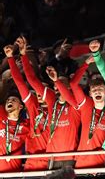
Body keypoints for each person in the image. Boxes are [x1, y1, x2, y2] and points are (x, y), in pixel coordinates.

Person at [21, 38, 81, 169]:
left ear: (69, 88)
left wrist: (58, 81)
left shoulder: (76, 106)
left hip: (69, 159)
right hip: (51, 159)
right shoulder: (51, 102)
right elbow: (32, 80)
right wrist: (23, 56)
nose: (57, 88)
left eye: (61, 85)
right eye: (55, 86)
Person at [46, 59, 105, 168]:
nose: (97, 91)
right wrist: (86, 63)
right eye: (94, 90)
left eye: (100, 89)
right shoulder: (86, 105)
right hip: (82, 161)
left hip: (103, 162)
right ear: (90, 94)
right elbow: (73, 83)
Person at [5, 41, 48, 170]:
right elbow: (21, 82)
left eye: (43, 90)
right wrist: (11, 58)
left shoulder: (54, 106)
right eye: (38, 90)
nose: (39, 92)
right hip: (31, 161)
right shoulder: (33, 105)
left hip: (51, 161)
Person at [0, 91, 29, 172]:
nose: (10, 101)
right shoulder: (1, 118)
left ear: (20, 106)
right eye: (8, 100)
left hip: (15, 172)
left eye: (14, 100)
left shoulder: (26, 126)